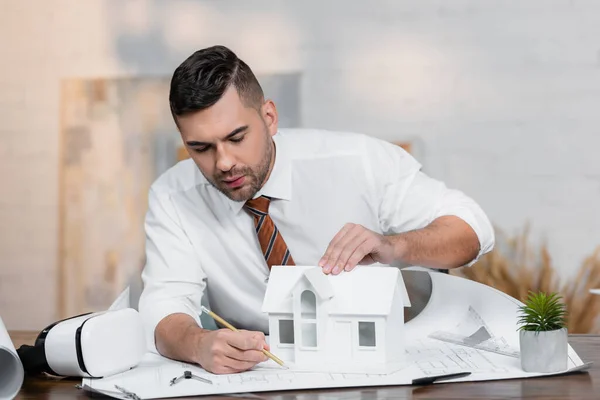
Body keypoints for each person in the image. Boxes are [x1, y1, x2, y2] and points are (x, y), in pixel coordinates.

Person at [138, 45, 495, 375]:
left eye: (236, 138)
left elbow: (473, 230)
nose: (224, 163)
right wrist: (198, 344)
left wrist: (395, 246)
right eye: (201, 148)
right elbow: (164, 305)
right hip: (262, 373)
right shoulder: (173, 196)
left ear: (270, 117)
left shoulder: (357, 161)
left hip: (379, 363)